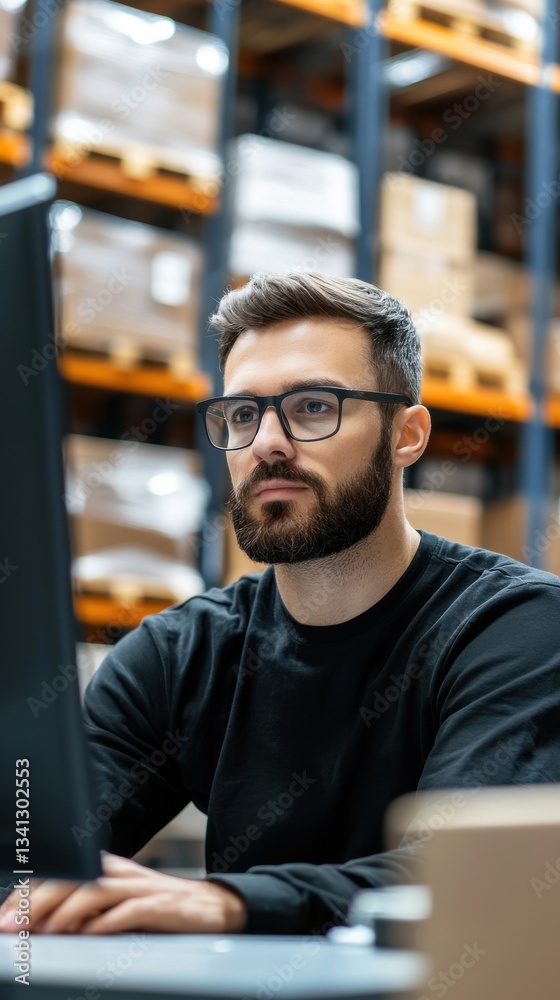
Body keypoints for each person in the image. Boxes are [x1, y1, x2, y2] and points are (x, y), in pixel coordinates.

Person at [1, 271, 560, 937]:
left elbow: (463, 874)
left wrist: (229, 904)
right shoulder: (181, 654)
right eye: (242, 414)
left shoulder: (516, 629)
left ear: (407, 435)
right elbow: (34, 855)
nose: (266, 442)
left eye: (313, 406)